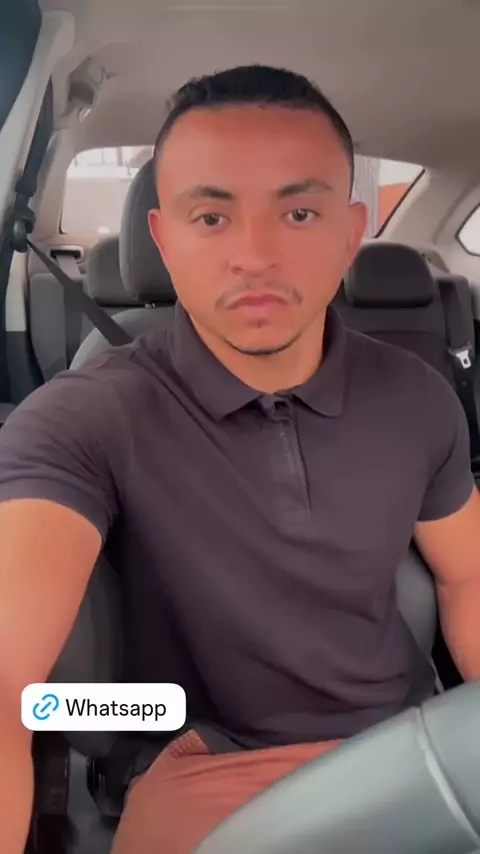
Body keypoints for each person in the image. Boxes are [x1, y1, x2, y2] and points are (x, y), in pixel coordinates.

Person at [0, 64, 479, 854]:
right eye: (212, 217)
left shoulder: (417, 396)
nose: (255, 255)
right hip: (203, 767)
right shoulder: (84, 416)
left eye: (299, 212)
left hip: (409, 742)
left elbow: (469, 576)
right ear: (164, 238)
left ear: (351, 232)